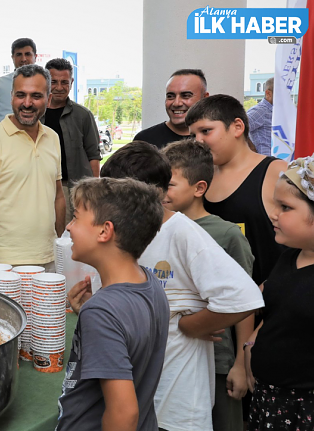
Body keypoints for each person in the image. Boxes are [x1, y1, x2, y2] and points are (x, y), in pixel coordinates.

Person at [100, 141, 264, 431]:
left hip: (179, 396)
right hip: (139, 385)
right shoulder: (123, 233)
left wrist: (192, 325)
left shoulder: (183, 232)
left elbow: (244, 298)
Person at [57, 177, 169, 431]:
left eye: (76, 218)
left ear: (105, 231)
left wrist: (95, 314)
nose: (69, 227)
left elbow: (123, 413)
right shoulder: (150, 283)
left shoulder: (103, 312)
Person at [162, 138, 256, 431]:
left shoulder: (227, 234)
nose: (160, 192)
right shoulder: (157, 227)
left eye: (169, 184)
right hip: (175, 357)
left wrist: (241, 364)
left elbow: (245, 305)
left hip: (218, 360)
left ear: (199, 188)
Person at [186, 94, 288, 287]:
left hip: (267, 300)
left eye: (206, 131)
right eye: (193, 135)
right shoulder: (200, 178)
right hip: (213, 299)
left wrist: (275, 284)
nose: (198, 141)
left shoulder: (276, 172)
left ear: (237, 127)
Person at [244, 155, 314, 431]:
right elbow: (277, 309)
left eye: (285, 207)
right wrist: (251, 341)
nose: (273, 213)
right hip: (270, 398)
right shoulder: (288, 258)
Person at [0, 64, 65, 268]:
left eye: (36, 96)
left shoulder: (52, 138)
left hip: (49, 257)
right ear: (11, 97)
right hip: (6, 263)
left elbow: (58, 196)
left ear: (49, 99)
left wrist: (60, 248)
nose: (27, 103)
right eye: (20, 95)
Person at [40, 58, 101, 225]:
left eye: (64, 82)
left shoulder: (83, 115)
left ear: (72, 82)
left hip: (73, 189)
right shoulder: (36, 116)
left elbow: (93, 156)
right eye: (54, 82)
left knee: (70, 237)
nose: (59, 87)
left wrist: (94, 190)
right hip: (42, 187)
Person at [135, 69, 209, 149]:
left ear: (205, 98)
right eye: (170, 96)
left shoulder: (215, 141)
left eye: (186, 95)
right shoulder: (144, 140)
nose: (176, 103)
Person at [0, 38, 37, 132]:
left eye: (27, 54)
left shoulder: (45, 84)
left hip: (35, 141)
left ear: (35, 56)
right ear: (13, 57)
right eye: (19, 54)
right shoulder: (0, 84)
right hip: (4, 141)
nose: (23, 59)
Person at [246, 77, 274, 156]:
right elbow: (238, 128)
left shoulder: (276, 112)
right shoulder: (260, 111)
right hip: (264, 163)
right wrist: (252, 148)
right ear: (268, 93)